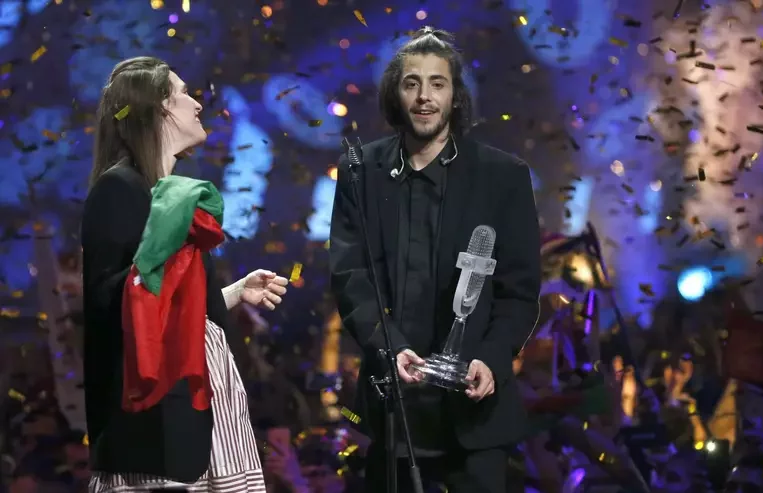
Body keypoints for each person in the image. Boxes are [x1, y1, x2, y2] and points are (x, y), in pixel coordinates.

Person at [328, 28, 541, 492]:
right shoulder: (360, 172)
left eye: (437, 83)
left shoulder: (502, 176)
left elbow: (520, 292)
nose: (425, 96)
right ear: (395, 93)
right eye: (412, 83)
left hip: (475, 415)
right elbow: (350, 276)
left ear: (455, 96)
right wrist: (389, 347)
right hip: (395, 412)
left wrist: (492, 358)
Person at [81, 56, 288, 492]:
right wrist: (164, 237)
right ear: (156, 110)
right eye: (182, 94)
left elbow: (176, 301)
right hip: (160, 413)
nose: (196, 104)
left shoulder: (170, 193)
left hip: (208, 403)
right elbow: (109, 302)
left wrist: (232, 293)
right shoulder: (119, 188)